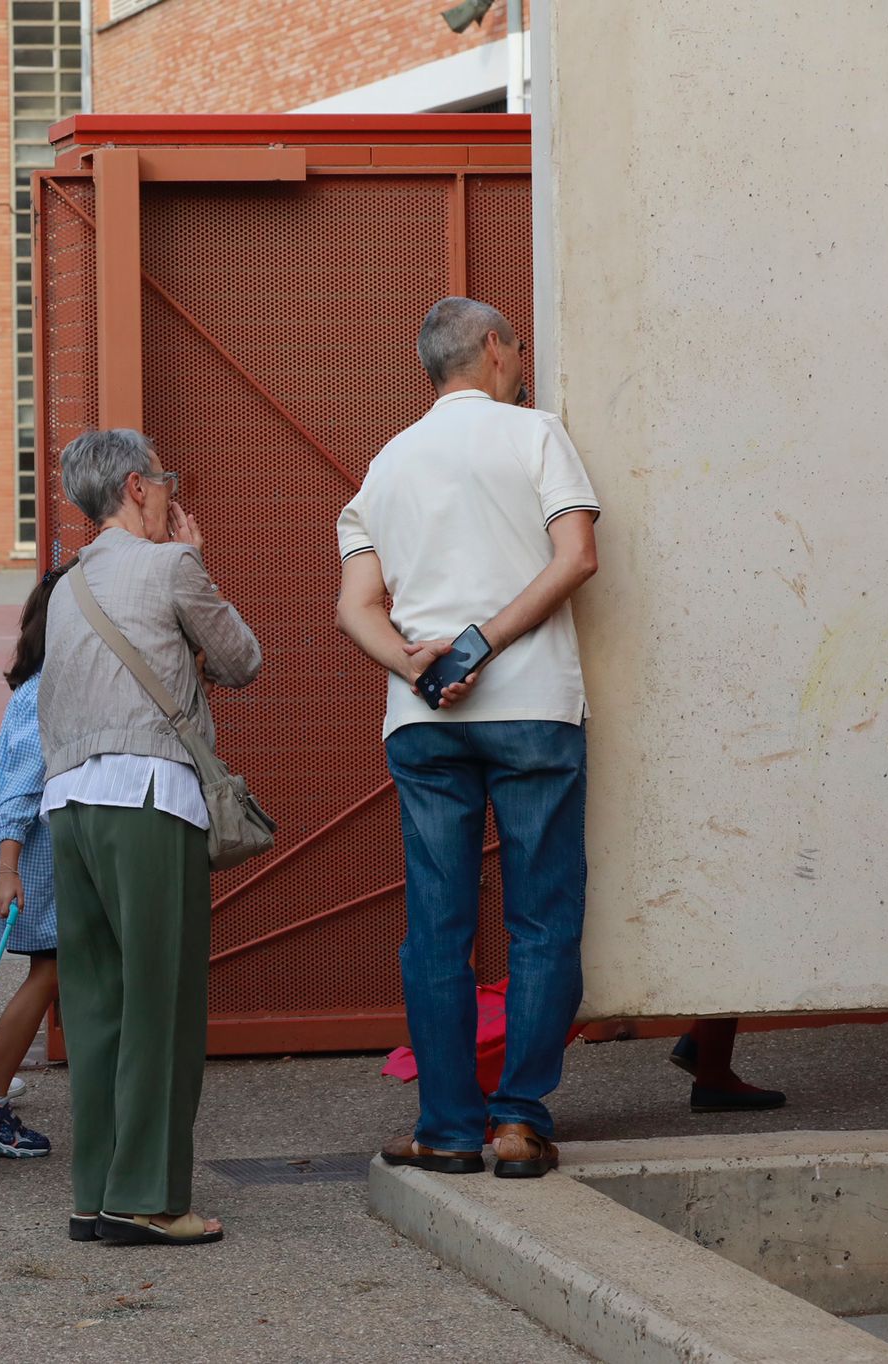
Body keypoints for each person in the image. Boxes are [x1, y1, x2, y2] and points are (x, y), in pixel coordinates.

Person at [337, 297, 599, 1180]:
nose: (520, 360)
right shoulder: (535, 436)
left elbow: (356, 608)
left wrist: (420, 665)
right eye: (517, 346)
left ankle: (448, 1126)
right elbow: (576, 558)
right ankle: (520, 1120)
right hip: (531, 708)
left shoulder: (385, 466)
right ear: (493, 349)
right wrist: (483, 643)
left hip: (426, 720)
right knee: (541, 919)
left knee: (437, 929)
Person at [40, 429, 261, 1247]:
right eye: (164, 482)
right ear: (137, 488)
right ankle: (149, 1197)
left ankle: (94, 1191)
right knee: (162, 1004)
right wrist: (197, 560)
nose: (171, 495)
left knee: (96, 1006)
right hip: (149, 797)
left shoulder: (66, 588)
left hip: (68, 805)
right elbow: (242, 661)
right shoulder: (172, 565)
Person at [0, 561, 74, 1160]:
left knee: (56, 970)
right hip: (36, 866)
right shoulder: (47, 691)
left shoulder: (44, 685)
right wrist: (7, 868)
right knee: (50, 970)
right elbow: (17, 791)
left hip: (39, 862)